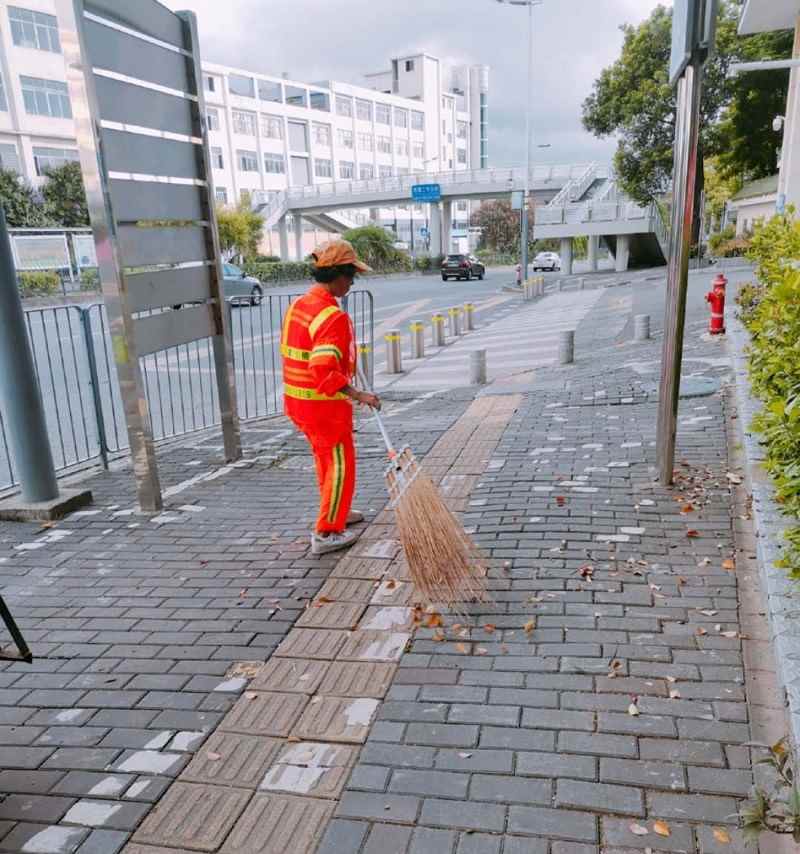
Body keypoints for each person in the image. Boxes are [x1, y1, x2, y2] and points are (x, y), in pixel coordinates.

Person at [280, 239, 381, 555]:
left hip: (298, 403)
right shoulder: (331, 317)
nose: (352, 283)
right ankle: (327, 532)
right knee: (340, 465)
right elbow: (323, 369)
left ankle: (337, 511)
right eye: (351, 276)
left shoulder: (300, 305)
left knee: (325, 461)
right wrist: (360, 394)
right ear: (338, 275)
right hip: (323, 408)